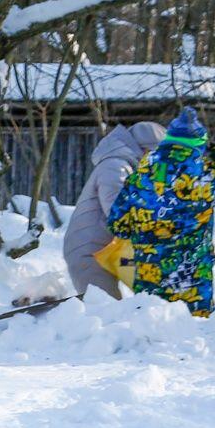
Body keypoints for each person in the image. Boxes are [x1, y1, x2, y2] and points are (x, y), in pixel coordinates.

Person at [108, 106, 215, 316]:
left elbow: (117, 225)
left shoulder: (141, 174)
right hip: (194, 280)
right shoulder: (208, 176)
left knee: (150, 329)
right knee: (194, 332)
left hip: (150, 279)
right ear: (199, 145)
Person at [63, 122, 165, 299]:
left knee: (152, 294)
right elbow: (118, 211)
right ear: (145, 150)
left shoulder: (130, 169)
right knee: (104, 307)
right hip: (90, 252)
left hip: (111, 249)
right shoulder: (115, 167)